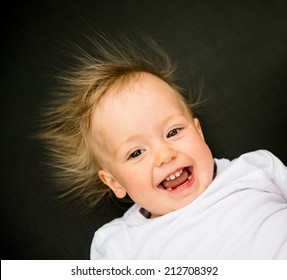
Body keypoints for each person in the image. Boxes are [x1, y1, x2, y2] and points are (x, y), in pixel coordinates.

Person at [41, 35, 287, 259]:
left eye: (173, 132)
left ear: (198, 132)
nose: (165, 155)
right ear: (115, 182)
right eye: (136, 152)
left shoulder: (256, 168)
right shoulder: (120, 245)